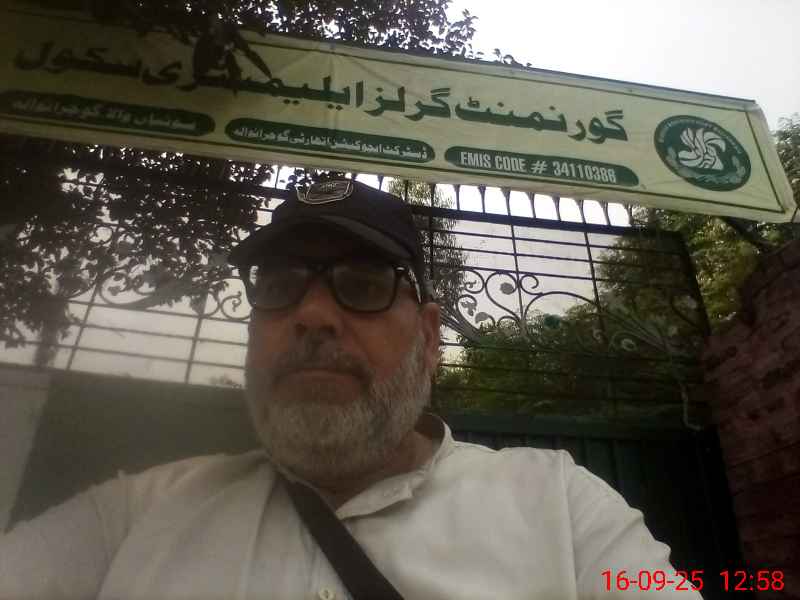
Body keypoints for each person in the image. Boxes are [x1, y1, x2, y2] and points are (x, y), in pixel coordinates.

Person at [0, 178, 701, 599]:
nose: (311, 315)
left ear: (430, 338)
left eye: (363, 285)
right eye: (280, 285)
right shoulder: (135, 516)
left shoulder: (562, 509)